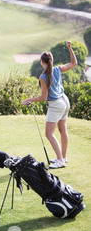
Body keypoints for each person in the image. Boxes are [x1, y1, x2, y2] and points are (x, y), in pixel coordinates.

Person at [22, 41, 77, 169]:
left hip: (56, 105)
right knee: (63, 130)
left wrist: (28, 99)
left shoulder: (43, 76)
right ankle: (63, 156)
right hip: (65, 101)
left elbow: (43, 97)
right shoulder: (58, 69)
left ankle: (60, 160)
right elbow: (74, 63)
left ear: (42, 62)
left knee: (49, 134)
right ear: (52, 60)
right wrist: (70, 48)